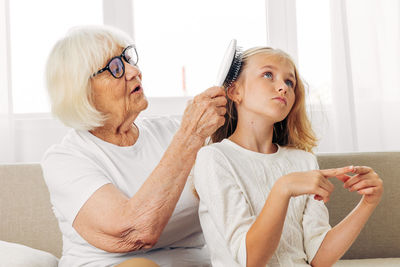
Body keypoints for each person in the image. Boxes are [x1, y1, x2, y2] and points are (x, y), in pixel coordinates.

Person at [42, 25, 227, 267]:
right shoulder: (65, 159)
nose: (134, 71)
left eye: (128, 58)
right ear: (83, 91)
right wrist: (189, 136)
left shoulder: (173, 131)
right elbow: (134, 232)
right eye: (115, 68)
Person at [193, 47, 383, 267]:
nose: (283, 87)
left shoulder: (303, 161)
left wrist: (368, 202)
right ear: (235, 91)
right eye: (268, 75)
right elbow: (250, 260)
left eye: (290, 82)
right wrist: (283, 188)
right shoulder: (214, 159)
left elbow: (319, 258)